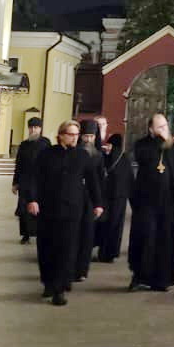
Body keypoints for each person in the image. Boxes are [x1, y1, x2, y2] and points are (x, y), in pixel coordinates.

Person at [27, 120, 104, 305]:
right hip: (48, 208)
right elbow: (34, 178)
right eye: (71, 134)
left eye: (77, 135)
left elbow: (92, 180)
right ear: (61, 135)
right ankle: (48, 282)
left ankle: (60, 288)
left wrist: (98, 204)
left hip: (72, 209)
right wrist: (32, 199)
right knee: (47, 247)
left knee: (67, 249)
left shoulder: (82, 155)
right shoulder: (47, 154)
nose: (75, 138)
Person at [128, 113, 174, 292]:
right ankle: (140, 276)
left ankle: (162, 280)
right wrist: (160, 141)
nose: (164, 130)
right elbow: (144, 158)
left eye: (165, 126)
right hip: (146, 201)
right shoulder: (142, 145)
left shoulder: (173, 147)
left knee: (165, 239)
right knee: (145, 237)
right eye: (160, 127)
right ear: (151, 129)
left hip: (167, 201)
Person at [75, 119, 106, 280]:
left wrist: (99, 203)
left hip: (90, 200)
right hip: (74, 198)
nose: (88, 140)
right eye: (85, 136)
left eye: (91, 137)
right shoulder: (74, 153)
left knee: (87, 236)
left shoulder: (98, 156)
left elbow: (100, 181)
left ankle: (82, 269)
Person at [12, 117, 50, 243]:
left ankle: (40, 233)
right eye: (31, 127)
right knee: (23, 208)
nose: (33, 130)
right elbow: (18, 164)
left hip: (40, 181)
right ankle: (25, 234)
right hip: (25, 181)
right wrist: (15, 182)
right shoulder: (24, 144)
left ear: (40, 129)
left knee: (40, 207)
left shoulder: (45, 143)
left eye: (36, 127)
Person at [97, 133, 132, 262]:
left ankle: (103, 251)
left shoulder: (106, 157)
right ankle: (112, 253)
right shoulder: (125, 158)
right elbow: (130, 179)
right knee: (116, 225)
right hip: (120, 198)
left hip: (106, 196)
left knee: (105, 224)